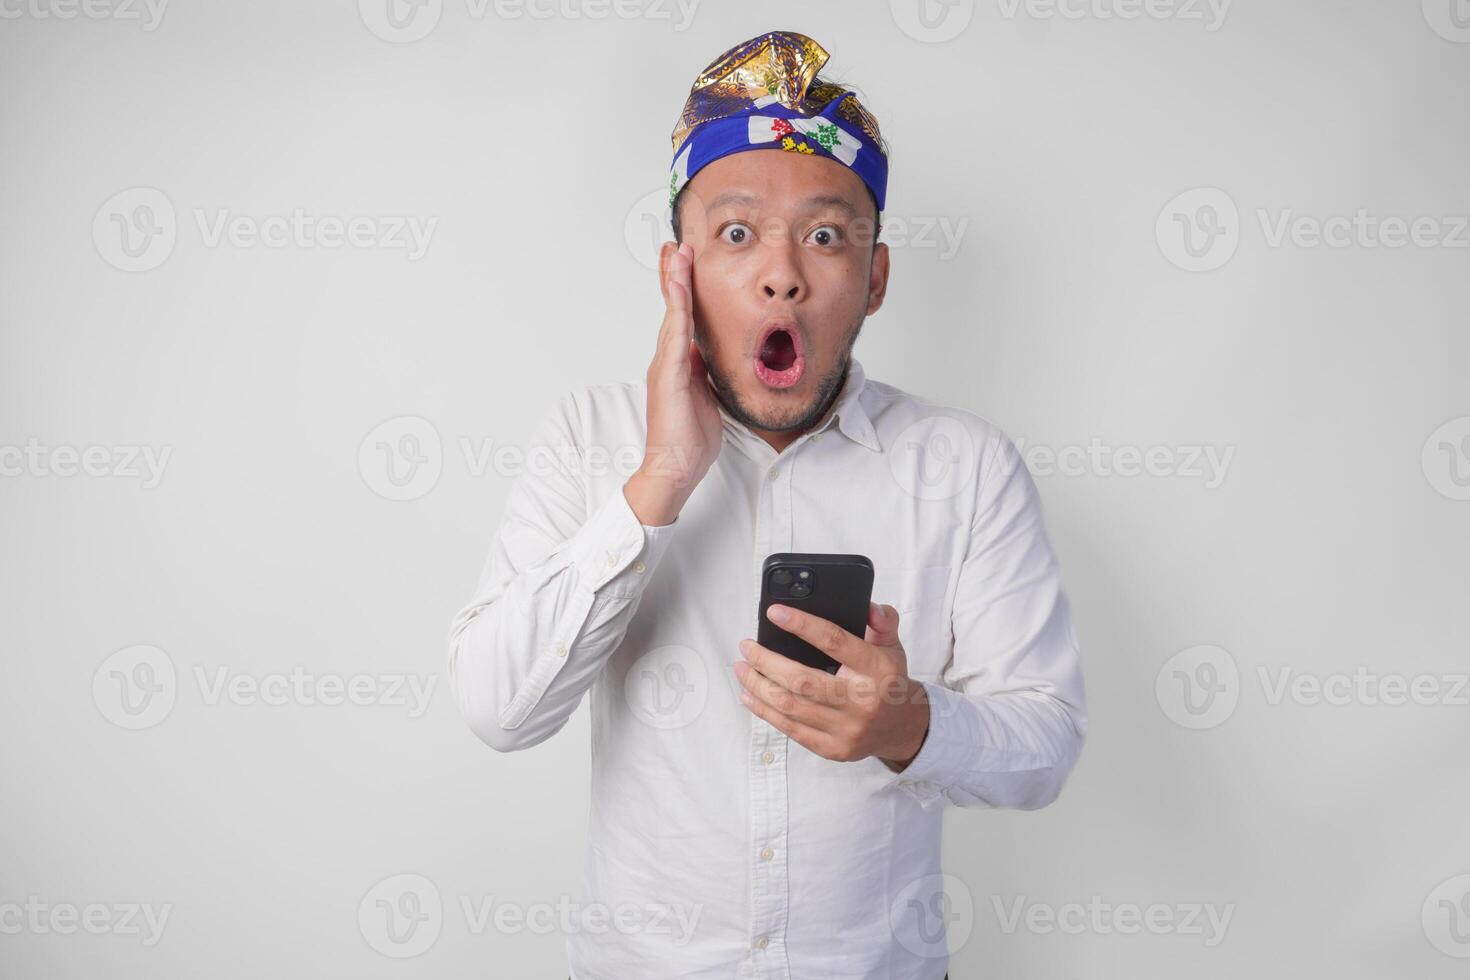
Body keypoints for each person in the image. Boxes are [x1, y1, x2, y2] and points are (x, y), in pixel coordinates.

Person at [448, 29, 1087, 980]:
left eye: (826, 235)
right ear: (682, 271)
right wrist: (660, 481)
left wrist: (908, 723)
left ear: (873, 280)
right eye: (737, 233)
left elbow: (1046, 743)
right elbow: (500, 708)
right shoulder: (590, 440)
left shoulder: (966, 466)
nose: (782, 272)